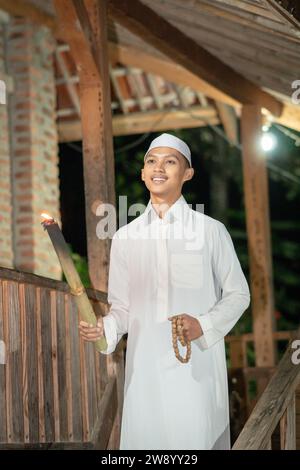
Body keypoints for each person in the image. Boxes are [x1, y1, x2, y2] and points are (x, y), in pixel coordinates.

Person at [79, 133, 250, 450]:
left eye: (170, 161)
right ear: (143, 173)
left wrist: (205, 324)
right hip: (145, 370)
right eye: (151, 161)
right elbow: (122, 308)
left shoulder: (210, 231)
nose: (159, 168)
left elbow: (239, 294)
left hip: (195, 367)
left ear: (187, 173)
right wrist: (106, 328)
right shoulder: (125, 238)